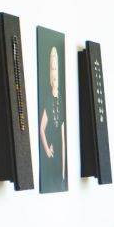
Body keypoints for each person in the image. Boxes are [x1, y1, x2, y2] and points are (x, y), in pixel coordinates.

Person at [39, 46, 66, 192]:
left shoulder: (61, 99)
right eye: (52, 69)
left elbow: (63, 140)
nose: (54, 73)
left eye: (56, 69)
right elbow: (41, 129)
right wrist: (47, 150)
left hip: (59, 162)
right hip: (50, 161)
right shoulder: (48, 99)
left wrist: (63, 172)